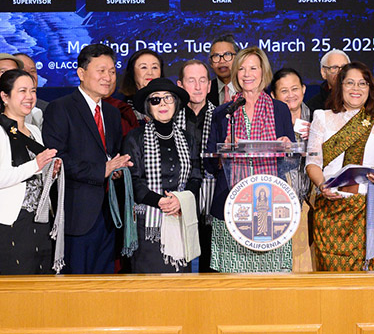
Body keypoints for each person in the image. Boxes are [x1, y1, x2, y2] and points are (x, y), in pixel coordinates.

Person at [43, 44, 132, 274]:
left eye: (112, 71)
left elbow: (109, 155)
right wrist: (100, 170)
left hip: (109, 215)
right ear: (81, 73)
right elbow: (57, 158)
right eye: (101, 71)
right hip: (78, 215)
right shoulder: (60, 108)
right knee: (76, 289)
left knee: (104, 287)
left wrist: (117, 169)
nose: (108, 77)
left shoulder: (112, 113)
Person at [205, 47, 295, 273]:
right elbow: (208, 164)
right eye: (242, 69)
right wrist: (223, 149)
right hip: (230, 205)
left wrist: (286, 146)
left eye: (253, 68)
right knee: (232, 285)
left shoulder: (280, 109)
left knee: (271, 285)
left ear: (263, 72)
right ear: (235, 74)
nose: (247, 74)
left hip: (273, 207)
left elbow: (292, 159)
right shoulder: (222, 113)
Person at [306, 62, 374, 271]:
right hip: (329, 208)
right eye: (350, 83)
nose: (356, 89)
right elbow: (312, 163)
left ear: (370, 88)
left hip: (366, 210)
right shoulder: (321, 117)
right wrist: (322, 186)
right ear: (340, 86)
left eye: (362, 83)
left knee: (366, 281)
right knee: (331, 281)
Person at [0, 69, 59, 275]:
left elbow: (36, 177)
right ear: (4, 96)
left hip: (39, 220)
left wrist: (51, 172)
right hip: (9, 222)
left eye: (32, 90)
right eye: (22, 91)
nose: (30, 97)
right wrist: (35, 165)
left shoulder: (34, 131)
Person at [122, 78, 202, 272]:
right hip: (148, 226)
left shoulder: (188, 138)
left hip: (181, 218)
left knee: (180, 288)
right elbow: (133, 180)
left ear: (176, 102)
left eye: (168, 98)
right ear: (149, 107)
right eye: (156, 100)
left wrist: (180, 201)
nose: (163, 104)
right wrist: (160, 201)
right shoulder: (135, 138)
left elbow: (196, 177)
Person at [176, 59, 217, 271]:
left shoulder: (222, 116)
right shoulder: (169, 118)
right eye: (191, 81)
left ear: (210, 86)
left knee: (210, 267)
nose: (198, 87)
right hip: (178, 199)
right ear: (180, 85)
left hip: (213, 199)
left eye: (203, 80)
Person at [271, 67, 313, 271]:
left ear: (304, 89)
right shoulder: (269, 123)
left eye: (295, 88)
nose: (291, 95)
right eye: (284, 91)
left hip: (311, 203)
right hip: (280, 203)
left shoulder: (318, 117)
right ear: (274, 95)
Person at [119, 49, 165, 120]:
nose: (150, 72)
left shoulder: (171, 103)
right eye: (144, 67)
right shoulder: (122, 107)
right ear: (132, 72)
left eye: (155, 67)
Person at [206, 35, 239, 106]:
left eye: (227, 54)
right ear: (211, 62)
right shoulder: (205, 90)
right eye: (216, 56)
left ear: (238, 58)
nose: (222, 61)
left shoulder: (247, 87)